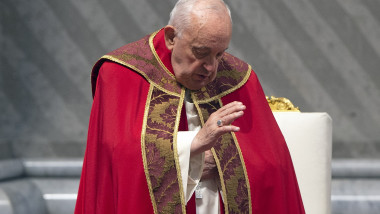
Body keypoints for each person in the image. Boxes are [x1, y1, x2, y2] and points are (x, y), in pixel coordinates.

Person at [74, 0, 305, 213]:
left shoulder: (238, 78)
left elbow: (274, 166)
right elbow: (116, 161)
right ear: (171, 37)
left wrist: (228, 160)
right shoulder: (121, 74)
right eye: (201, 52)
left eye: (219, 54)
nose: (211, 67)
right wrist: (193, 146)